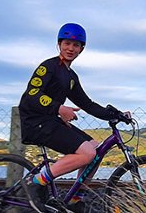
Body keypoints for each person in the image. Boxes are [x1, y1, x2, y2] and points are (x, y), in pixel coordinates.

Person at [18, 23, 131, 212]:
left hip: (51, 121)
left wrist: (116, 114)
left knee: (95, 148)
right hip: (35, 122)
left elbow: (87, 104)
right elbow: (31, 95)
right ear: (59, 44)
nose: (71, 48)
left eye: (76, 45)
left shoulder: (71, 76)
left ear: (81, 49)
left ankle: (74, 199)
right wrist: (59, 108)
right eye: (67, 43)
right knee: (87, 153)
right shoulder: (48, 67)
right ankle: (35, 182)